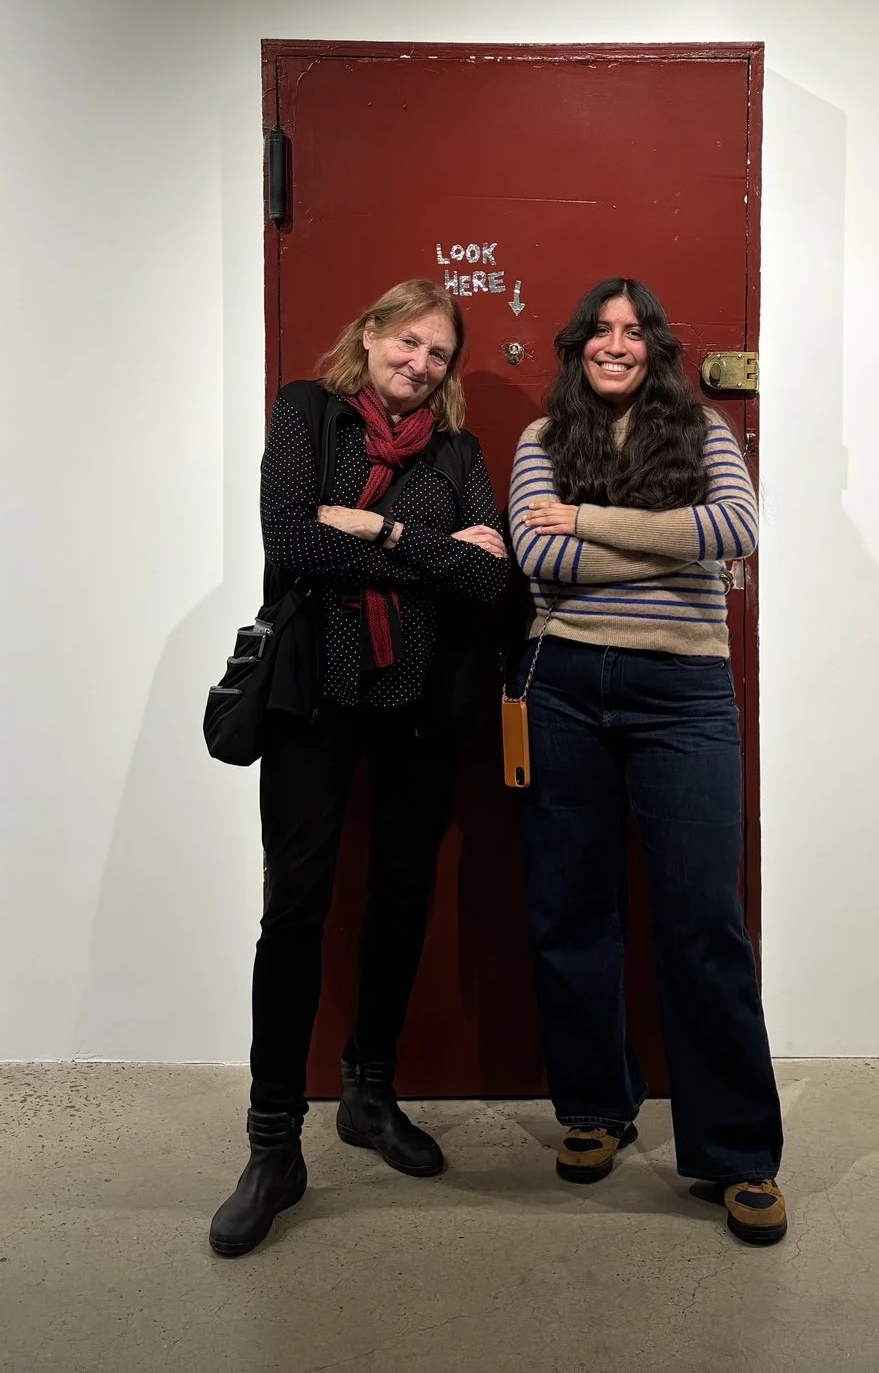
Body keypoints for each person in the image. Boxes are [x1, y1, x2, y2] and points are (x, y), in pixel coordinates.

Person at [210, 280, 512, 1259]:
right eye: (408, 341)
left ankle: (368, 1096)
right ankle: (271, 1146)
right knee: (293, 909)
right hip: (313, 700)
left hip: (421, 706)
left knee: (399, 896)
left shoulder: (459, 453)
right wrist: (430, 550)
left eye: (439, 355)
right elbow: (289, 538)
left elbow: (492, 575)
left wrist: (373, 530)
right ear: (371, 331)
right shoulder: (308, 413)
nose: (419, 364)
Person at [508, 277, 786, 1245]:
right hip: (563, 688)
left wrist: (583, 522)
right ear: (576, 343)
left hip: (685, 696)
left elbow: (735, 533)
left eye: (632, 331)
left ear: (656, 346)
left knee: (703, 923)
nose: (615, 344)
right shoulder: (540, 442)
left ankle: (737, 1153)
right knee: (570, 909)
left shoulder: (705, 432)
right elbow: (532, 562)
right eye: (599, 330)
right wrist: (674, 549)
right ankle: (594, 1108)